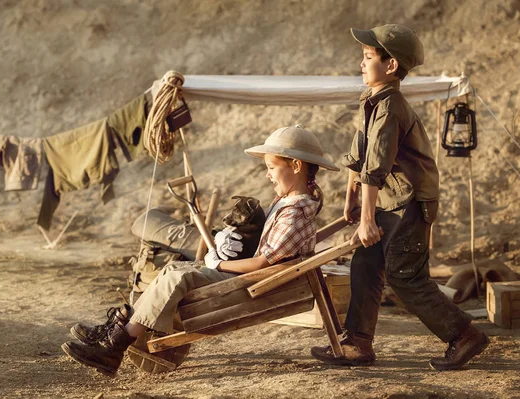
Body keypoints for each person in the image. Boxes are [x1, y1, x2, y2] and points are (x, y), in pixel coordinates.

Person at [62, 125, 339, 377]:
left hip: (258, 286)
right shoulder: (289, 202)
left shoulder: (295, 212)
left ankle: (116, 345)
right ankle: (118, 330)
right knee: (173, 268)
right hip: (256, 279)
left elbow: (260, 265)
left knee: (177, 278)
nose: (267, 174)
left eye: (271, 167)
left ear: (296, 165)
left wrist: (218, 264)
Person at [310, 24, 489, 370]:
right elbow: (358, 158)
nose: (361, 64)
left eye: (367, 57)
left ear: (390, 66)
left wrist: (365, 220)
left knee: (404, 276)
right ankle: (358, 343)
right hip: (387, 200)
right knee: (364, 264)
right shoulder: (371, 101)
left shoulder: (391, 107)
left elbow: (376, 166)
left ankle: (463, 334)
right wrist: (352, 201)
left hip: (409, 202)